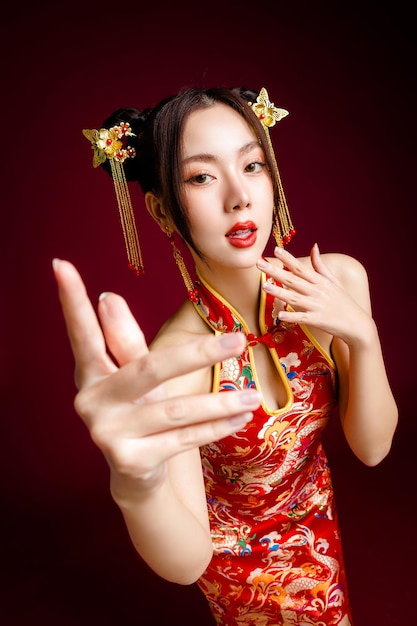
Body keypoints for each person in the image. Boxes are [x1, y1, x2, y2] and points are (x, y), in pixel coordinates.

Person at [54, 86, 398, 625]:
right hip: (240, 577)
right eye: (202, 176)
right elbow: (187, 560)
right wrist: (137, 487)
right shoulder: (179, 359)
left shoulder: (338, 281)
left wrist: (364, 337)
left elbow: (373, 448)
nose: (239, 197)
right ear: (163, 209)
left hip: (321, 539)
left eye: (253, 165)